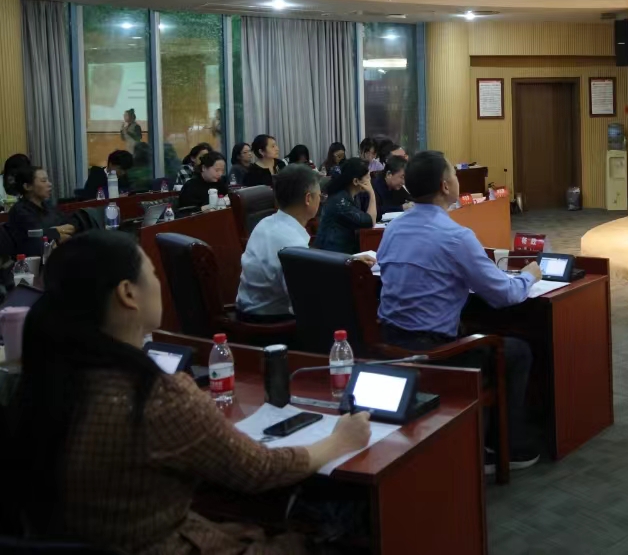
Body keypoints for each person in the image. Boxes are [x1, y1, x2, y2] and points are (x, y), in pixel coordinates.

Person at [8, 230, 371, 553]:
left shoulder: (44, 381)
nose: (157, 282)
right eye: (152, 273)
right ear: (128, 293)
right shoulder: (154, 395)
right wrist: (339, 441)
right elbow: (260, 470)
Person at [377, 150, 543, 470]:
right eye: (453, 174)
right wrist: (528, 276)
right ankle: (506, 446)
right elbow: (504, 295)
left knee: (475, 327)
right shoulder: (456, 236)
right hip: (434, 353)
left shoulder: (393, 229)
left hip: (388, 343)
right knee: (517, 351)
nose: (456, 179)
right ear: (445, 186)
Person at [236, 165, 323, 321]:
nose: (320, 200)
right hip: (269, 323)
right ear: (308, 199)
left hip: (247, 311)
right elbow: (302, 302)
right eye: (319, 196)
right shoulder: (292, 243)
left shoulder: (265, 223)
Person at [7, 164, 77, 253]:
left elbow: (70, 224)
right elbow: (37, 238)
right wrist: (56, 233)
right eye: (43, 181)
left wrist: (53, 232)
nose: (50, 184)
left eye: (48, 180)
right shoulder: (20, 211)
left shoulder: (48, 205)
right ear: (27, 186)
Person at [313, 158, 375, 255]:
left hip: (342, 253)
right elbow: (370, 221)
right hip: (331, 256)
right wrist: (372, 194)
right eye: (367, 177)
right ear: (356, 181)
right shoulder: (340, 201)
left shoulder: (349, 195)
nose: (370, 180)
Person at [372, 154, 413, 220]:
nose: (403, 182)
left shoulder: (397, 187)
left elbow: (409, 198)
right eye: (402, 177)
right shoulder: (374, 187)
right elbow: (376, 210)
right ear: (389, 174)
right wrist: (401, 208)